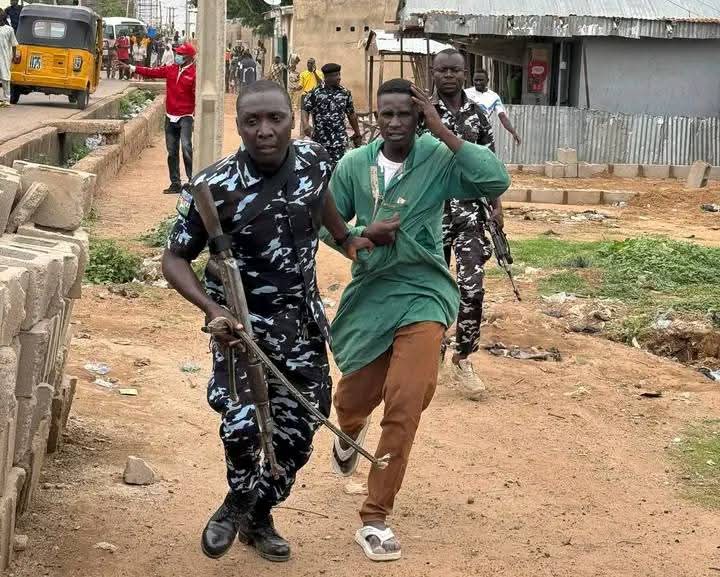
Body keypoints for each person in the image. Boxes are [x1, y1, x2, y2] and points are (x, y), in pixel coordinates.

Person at [162, 80, 372, 563]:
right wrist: (213, 310)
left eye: (275, 118)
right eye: (251, 121)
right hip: (243, 331)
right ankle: (236, 501)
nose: (264, 130)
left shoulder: (315, 159)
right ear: (238, 126)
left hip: (302, 326)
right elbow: (174, 259)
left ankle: (257, 514)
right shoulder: (214, 187)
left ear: (292, 119)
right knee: (241, 427)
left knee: (300, 432)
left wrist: (345, 237)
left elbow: (320, 199)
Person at [324, 78, 509, 561]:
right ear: (376, 116)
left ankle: (375, 517)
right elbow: (328, 224)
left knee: (406, 400)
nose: (395, 123)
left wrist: (444, 132)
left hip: (425, 291)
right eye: (386, 114)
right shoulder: (354, 164)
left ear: (419, 116)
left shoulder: (436, 156)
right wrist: (362, 234)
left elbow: (494, 180)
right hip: (372, 295)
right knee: (352, 398)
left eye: (405, 114)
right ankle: (350, 429)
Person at [424, 48, 501, 397]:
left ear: (465, 74)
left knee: (472, 288)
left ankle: (463, 357)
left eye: (455, 70)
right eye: (442, 70)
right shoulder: (421, 113)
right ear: (433, 73)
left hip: (470, 214)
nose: (449, 76)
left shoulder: (478, 115)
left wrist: (497, 205)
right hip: (430, 216)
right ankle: (432, 349)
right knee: (432, 288)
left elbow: (488, 164)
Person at [119, 43, 196, 194]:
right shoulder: (171, 69)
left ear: (188, 57)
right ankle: (175, 183)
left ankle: (192, 182)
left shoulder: (194, 74)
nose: (177, 56)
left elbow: (196, 96)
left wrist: (196, 116)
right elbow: (152, 72)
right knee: (172, 151)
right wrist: (132, 67)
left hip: (186, 116)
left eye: (180, 54)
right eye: (177, 53)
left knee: (186, 148)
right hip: (170, 115)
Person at [302, 63, 362, 170]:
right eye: (335, 75)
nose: (339, 78)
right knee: (321, 170)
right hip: (320, 141)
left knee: (339, 170)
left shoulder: (345, 93)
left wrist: (357, 133)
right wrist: (305, 124)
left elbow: (351, 114)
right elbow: (305, 108)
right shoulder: (315, 93)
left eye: (339, 74)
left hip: (339, 142)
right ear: (326, 77)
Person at [465, 69, 521, 146]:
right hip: (467, 132)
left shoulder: (494, 97)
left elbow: (502, 116)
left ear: (487, 80)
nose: (478, 82)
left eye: (481, 80)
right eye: (476, 80)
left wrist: (513, 132)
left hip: (484, 133)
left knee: (487, 153)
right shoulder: (465, 93)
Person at [0, 9, 17, 107]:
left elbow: (14, 44)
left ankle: (6, 99)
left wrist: (14, 56)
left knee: (5, 78)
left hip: (5, 57)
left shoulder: (9, 29)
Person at [287, 54, 302, 123]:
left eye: (293, 67)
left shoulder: (297, 73)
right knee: (290, 101)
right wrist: (290, 57)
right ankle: (291, 113)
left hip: (295, 89)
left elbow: (299, 80)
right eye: (292, 67)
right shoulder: (289, 72)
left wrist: (296, 80)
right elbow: (288, 64)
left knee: (295, 103)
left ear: (295, 68)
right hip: (290, 89)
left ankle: (294, 113)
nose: (292, 68)